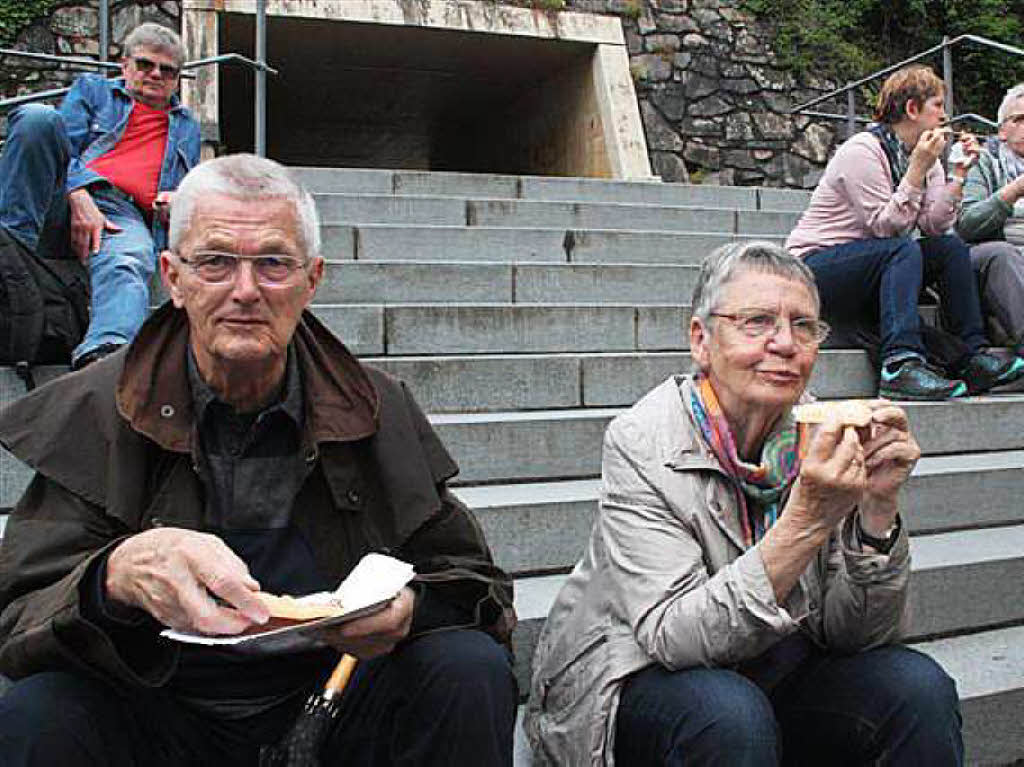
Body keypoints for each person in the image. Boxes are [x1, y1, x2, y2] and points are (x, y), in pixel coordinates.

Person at [0, 154, 517, 766]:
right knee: (38, 711)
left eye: (273, 263)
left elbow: (473, 582)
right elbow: (17, 617)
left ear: (313, 279)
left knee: (468, 668)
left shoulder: (374, 406)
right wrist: (112, 577)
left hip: (330, 694)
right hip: (157, 702)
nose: (245, 292)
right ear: (172, 276)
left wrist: (411, 610)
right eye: (216, 262)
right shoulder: (101, 407)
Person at [524, 241, 963, 767]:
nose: (785, 343)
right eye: (756, 322)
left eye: (804, 326)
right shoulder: (643, 441)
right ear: (701, 341)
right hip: (634, 677)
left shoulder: (821, 433)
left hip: (771, 665)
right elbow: (673, 637)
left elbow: (861, 635)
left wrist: (876, 510)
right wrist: (805, 519)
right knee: (728, 714)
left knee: (917, 687)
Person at [786, 64, 1024, 400]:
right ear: (912, 109)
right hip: (814, 267)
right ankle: (899, 364)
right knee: (902, 248)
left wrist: (957, 175)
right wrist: (916, 171)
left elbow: (935, 225)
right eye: (938, 105)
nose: (945, 115)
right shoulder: (862, 151)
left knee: (950, 249)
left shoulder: (924, 155)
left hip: (873, 266)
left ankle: (973, 355)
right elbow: (885, 227)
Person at [0, 22, 201, 369]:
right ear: (125, 66)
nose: (156, 75)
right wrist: (78, 193)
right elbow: (62, 147)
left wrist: (175, 203)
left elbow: (187, 187)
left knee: (128, 258)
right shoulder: (94, 91)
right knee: (37, 119)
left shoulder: (186, 126)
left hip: (124, 216)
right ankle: (8, 265)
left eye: (167, 71)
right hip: (62, 194)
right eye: (145, 64)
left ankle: (107, 355)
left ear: (177, 79)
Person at [955, 83, 1024, 354]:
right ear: (1002, 131)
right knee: (1003, 255)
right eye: (1019, 120)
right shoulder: (982, 161)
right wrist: (1013, 191)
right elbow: (967, 224)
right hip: (994, 257)